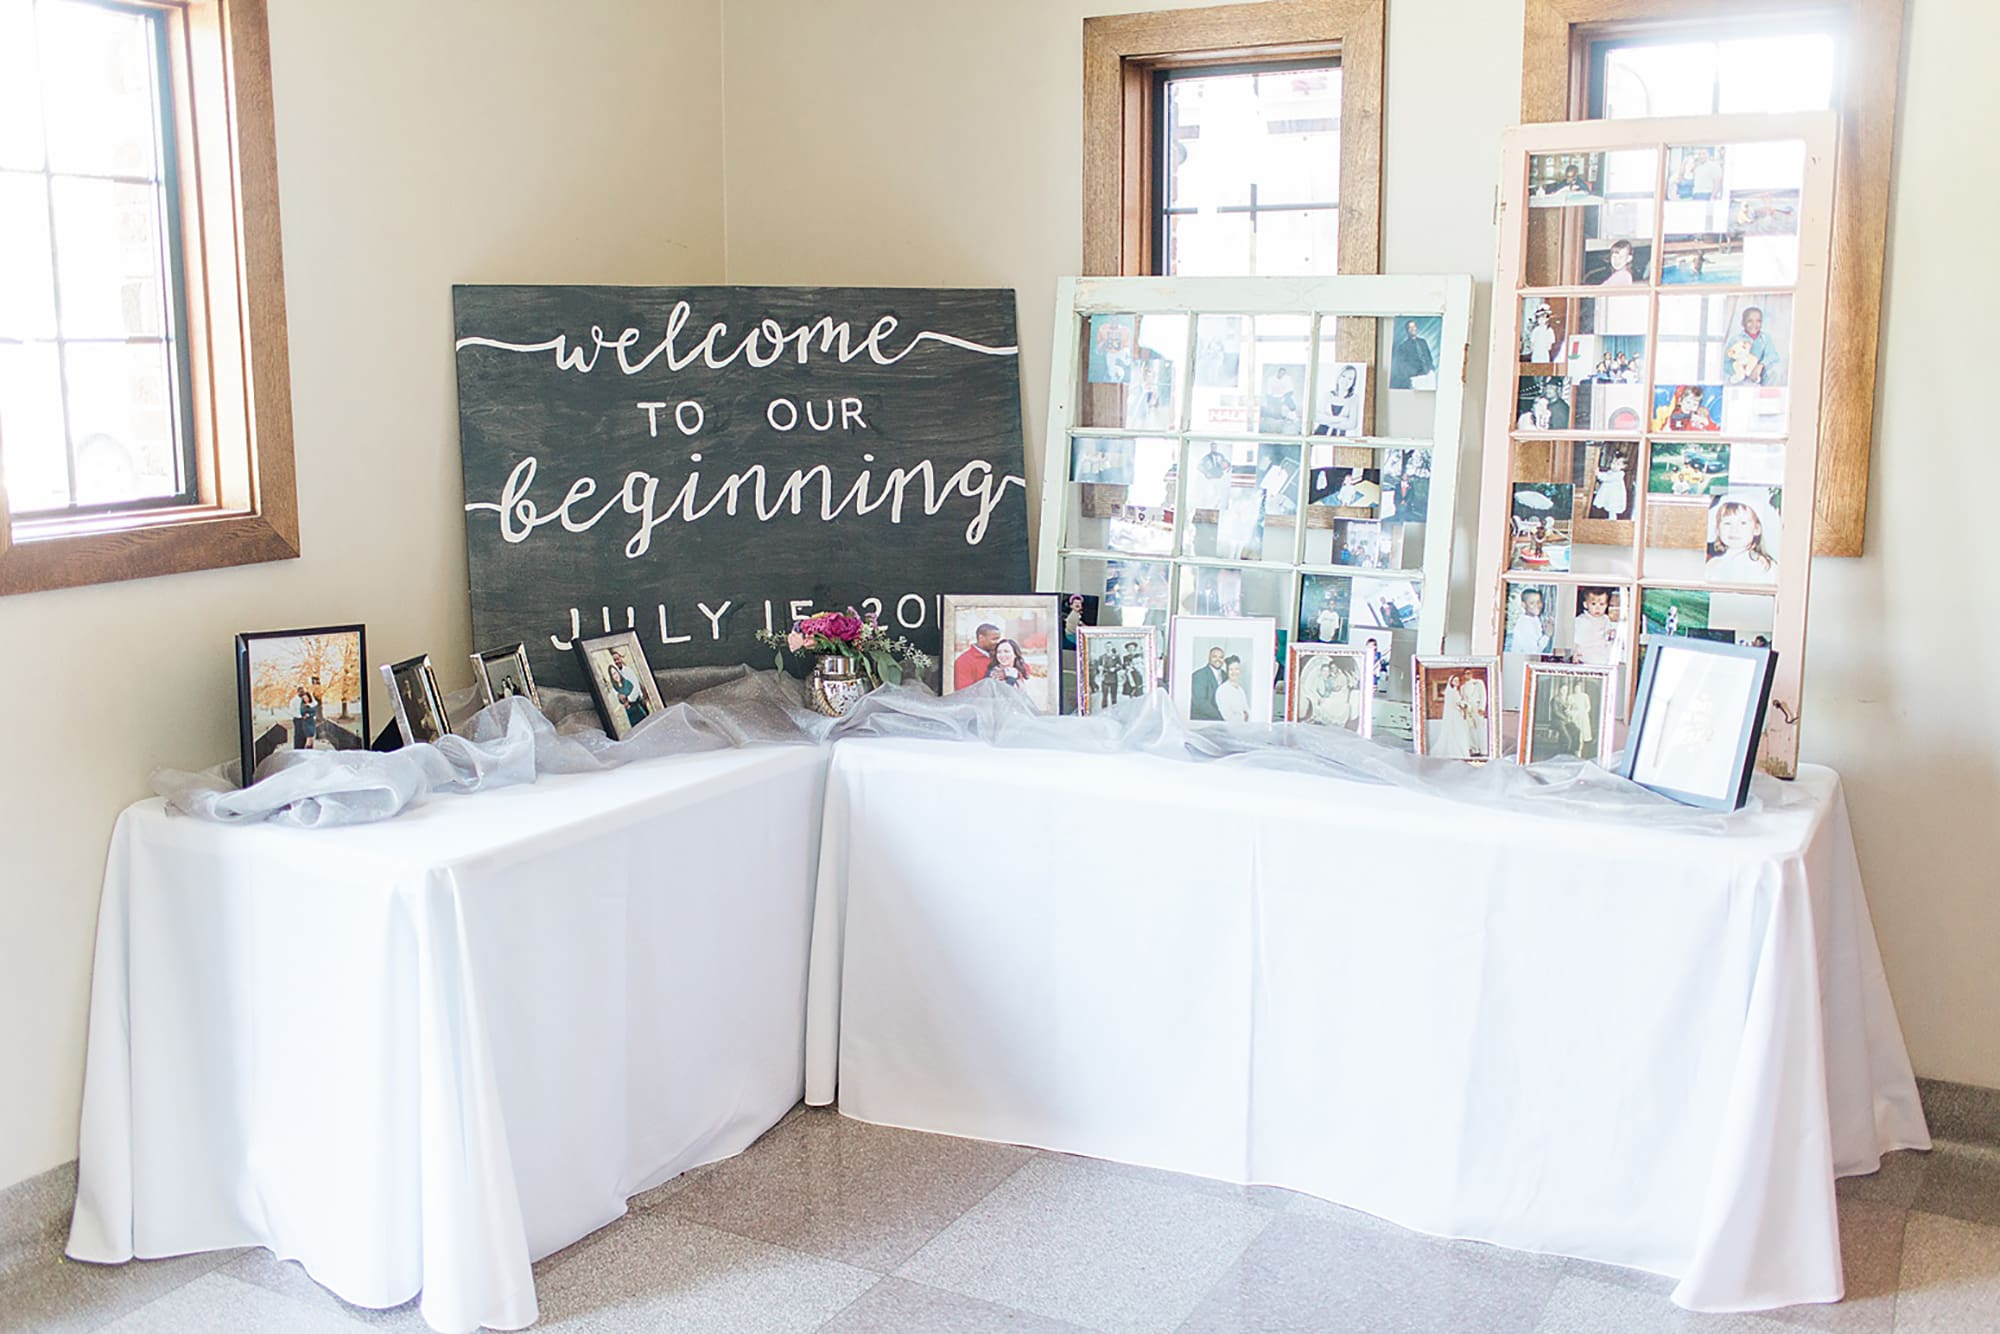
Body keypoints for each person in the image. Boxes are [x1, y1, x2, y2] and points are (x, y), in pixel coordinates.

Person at [1705, 498, 1778, 583]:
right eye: (1727, 523)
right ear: (1718, 529)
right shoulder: (1713, 565)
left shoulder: (1764, 566)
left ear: (1757, 529)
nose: (1734, 530)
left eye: (1743, 523)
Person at [1733, 306, 1782, 385]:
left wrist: (1760, 365)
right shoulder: (1736, 339)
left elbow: (1772, 355)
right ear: (1742, 323)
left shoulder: (1765, 338)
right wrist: (1741, 371)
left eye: (1758, 321)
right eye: (1750, 321)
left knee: (1774, 372)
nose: (1754, 324)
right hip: (1742, 376)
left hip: (1761, 375)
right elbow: (1727, 362)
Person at [605, 650, 650, 729]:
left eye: (618, 659)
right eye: (614, 660)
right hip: (629, 710)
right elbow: (617, 695)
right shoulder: (615, 682)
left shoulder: (628, 671)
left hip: (637, 703)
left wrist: (628, 699)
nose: (617, 661)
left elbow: (636, 687)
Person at [1574, 588, 1619, 666]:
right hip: (1585, 659)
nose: (1598, 608)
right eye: (1593, 604)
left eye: (1601, 604)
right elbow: (1575, 641)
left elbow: (1608, 637)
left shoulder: (1606, 619)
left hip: (1603, 658)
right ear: (1585, 604)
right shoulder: (1581, 620)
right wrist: (1575, 654)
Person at [1433, 673, 1473, 758]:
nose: (1457, 682)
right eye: (1455, 680)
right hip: (1453, 715)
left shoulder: (1455, 691)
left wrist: (1463, 706)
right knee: (1455, 731)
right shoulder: (1450, 691)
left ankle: (1462, 750)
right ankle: (1456, 752)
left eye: (1458, 680)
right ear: (1451, 682)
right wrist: (1462, 705)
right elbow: (1453, 704)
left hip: (1457, 714)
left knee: (1460, 732)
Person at [1315, 363, 1362, 436]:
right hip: (1320, 435)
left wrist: (1327, 420)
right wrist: (1341, 419)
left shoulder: (1354, 399)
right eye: (1343, 376)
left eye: (1350, 379)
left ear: (1353, 382)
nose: (1346, 380)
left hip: (1340, 438)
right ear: (1338, 377)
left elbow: (1352, 424)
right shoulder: (1327, 395)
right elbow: (1317, 417)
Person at [953, 622, 1000, 690]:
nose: (997, 642)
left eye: (998, 639)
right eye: (994, 639)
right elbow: (964, 692)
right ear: (981, 638)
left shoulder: (998, 656)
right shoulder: (964, 661)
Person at [1390, 319, 1435, 389]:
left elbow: (1429, 356)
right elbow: (1402, 366)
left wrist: (1431, 369)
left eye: (1414, 327)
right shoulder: (1403, 346)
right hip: (1416, 378)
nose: (1412, 329)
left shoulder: (1423, 341)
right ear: (1407, 330)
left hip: (1428, 375)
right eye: (1410, 328)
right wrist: (1414, 374)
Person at [1507, 588, 1552, 654]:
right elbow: (1533, 652)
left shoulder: (1534, 618)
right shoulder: (1525, 624)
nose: (1537, 606)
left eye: (1539, 602)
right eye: (1532, 603)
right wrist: (1547, 636)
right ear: (1523, 605)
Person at [1189, 645, 1228, 721]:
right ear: (1209, 658)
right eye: (1214, 656)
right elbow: (1200, 703)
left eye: (1221, 657)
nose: (1218, 659)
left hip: (1222, 721)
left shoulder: (1226, 676)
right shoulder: (1199, 675)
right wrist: (1222, 717)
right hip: (1202, 719)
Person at [1592, 448, 1630, 519]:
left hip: (1614, 497)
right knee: (1609, 508)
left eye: (1618, 464)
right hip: (1609, 493)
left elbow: (1607, 478)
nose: (1614, 465)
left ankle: (1612, 520)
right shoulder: (1612, 472)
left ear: (1623, 467)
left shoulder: (1619, 474)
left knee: (1612, 508)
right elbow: (1607, 475)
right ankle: (1610, 518)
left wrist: (1598, 474)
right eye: (1613, 463)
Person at [1214, 656, 1251, 722]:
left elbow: (1247, 711)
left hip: (1243, 728)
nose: (1234, 672)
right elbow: (1227, 716)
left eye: (1236, 669)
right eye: (1231, 669)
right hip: (1230, 729)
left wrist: (1245, 715)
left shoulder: (1240, 690)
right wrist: (1243, 716)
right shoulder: (1222, 690)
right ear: (1227, 671)